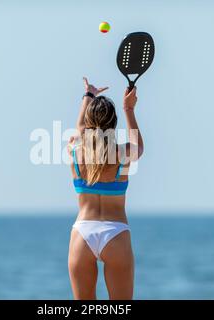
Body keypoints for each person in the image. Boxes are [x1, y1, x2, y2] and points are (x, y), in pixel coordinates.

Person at [67, 77, 144, 299]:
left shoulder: (74, 151)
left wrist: (88, 97)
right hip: (116, 233)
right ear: (113, 124)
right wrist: (129, 109)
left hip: (83, 233)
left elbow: (81, 130)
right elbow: (138, 145)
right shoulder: (123, 155)